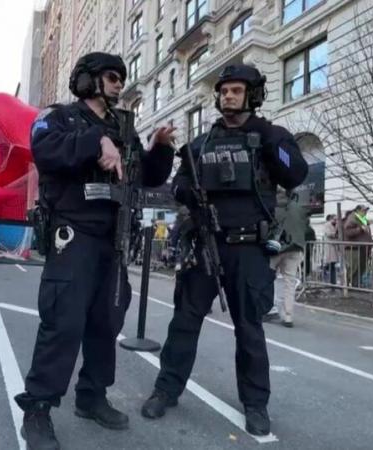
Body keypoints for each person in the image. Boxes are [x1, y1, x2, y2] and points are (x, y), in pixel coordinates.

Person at [14, 52, 175, 449]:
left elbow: (146, 177)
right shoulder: (59, 117)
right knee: (63, 322)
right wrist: (94, 139)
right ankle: (38, 408)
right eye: (111, 77)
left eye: (122, 78)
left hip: (113, 240)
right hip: (73, 235)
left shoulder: (124, 128)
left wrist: (159, 149)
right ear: (88, 80)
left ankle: (92, 396)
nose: (119, 83)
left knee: (106, 323)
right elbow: (45, 151)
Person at [139, 63, 308, 436]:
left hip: (249, 250)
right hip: (206, 245)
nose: (228, 96)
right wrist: (189, 196)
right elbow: (179, 184)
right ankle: (166, 390)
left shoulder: (271, 137)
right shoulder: (201, 144)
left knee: (249, 330)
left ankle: (255, 404)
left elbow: (295, 173)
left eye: (236, 90)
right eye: (224, 90)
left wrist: (268, 139)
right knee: (184, 323)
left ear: (251, 95)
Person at [269, 191, 308, 328]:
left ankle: (270, 308)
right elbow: (306, 227)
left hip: (276, 247)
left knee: (268, 278)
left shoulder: (271, 206)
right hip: (296, 247)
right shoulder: (298, 207)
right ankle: (288, 316)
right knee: (289, 282)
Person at [344, 205, 372, 287]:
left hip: (363, 247)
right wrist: (360, 229)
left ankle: (356, 284)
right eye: (363, 210)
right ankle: (349, 284)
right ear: (357, 210)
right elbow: (348, 232)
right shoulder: (352, 218)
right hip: (355, 248)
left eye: (366, 211)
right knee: (354, 267)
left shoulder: (363, 219)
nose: (365, 212)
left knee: (361, 267)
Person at [323, 214, 339, 285]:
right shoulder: (327, 225)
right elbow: (329, 234)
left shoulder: (334, 225)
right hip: (330, 247)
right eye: (335, 219)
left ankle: (333, 281)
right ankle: (330, 280)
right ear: (331, 219)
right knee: (330, 264)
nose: (336, 221)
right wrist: (336, 233)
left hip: (334, 247)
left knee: (332, 264)